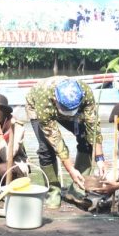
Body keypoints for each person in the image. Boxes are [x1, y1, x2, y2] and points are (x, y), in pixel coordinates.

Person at [25, 76, 105, 209]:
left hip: (72, 109)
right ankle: (53, 192)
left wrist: (100, 158)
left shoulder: (85, 93)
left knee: (86, 139)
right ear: (55, 99)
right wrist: (71, 170)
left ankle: (76, 189)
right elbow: (56, 140)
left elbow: (93, 126)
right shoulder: (44, 98)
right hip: (38, 108)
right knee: (46, 149)